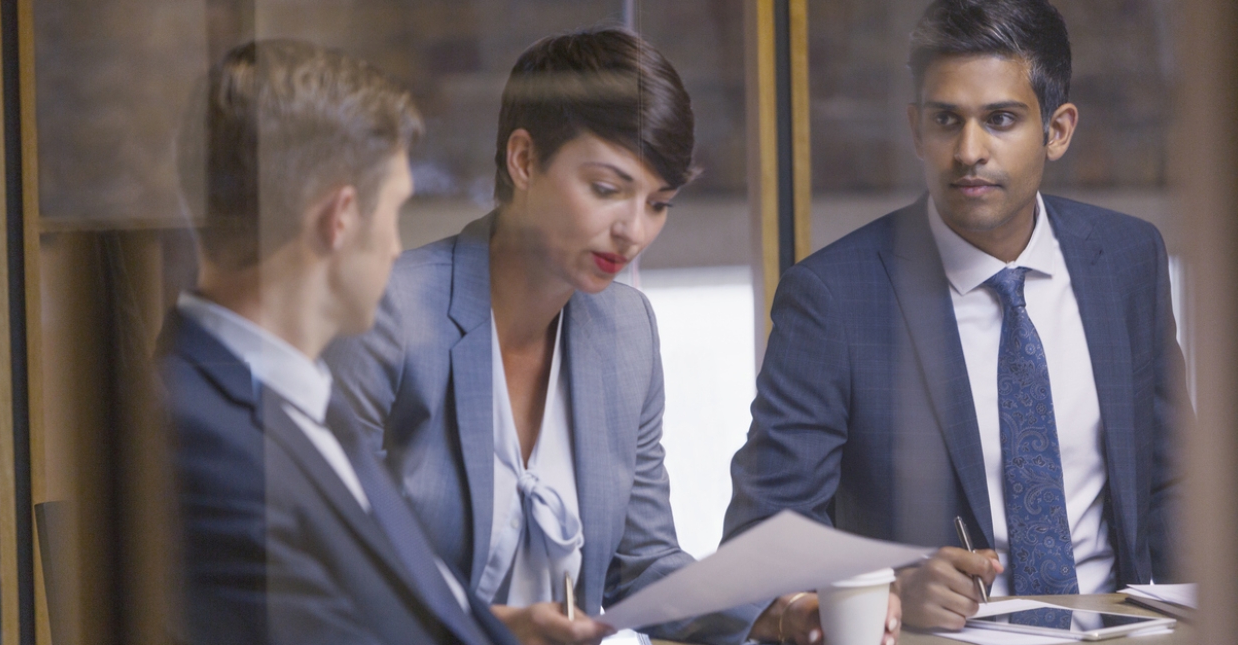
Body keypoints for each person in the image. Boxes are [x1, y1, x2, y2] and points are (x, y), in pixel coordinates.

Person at [325, 27, 895, 645]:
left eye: (659, 203)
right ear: (523, 160)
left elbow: (643, 565)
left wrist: (778, 615)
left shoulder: (626, 330)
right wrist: (494, 629)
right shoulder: (388, 314)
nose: (634, 232)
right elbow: (326, 583)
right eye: (607, 190)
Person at [724, 0, 1190, 634]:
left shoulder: (1128, 260)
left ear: (1058, 130)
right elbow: (762, 539)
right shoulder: (834, 297)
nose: (969, 151)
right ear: (916, 130)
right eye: (947, 120)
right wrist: (887, 590)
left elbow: (1174, 484)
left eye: (1000, 120)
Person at [159, 39, 518, 645]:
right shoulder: (201, 444)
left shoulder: (291, 394)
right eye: (396, 212)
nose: (398, 247)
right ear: (341, 218)